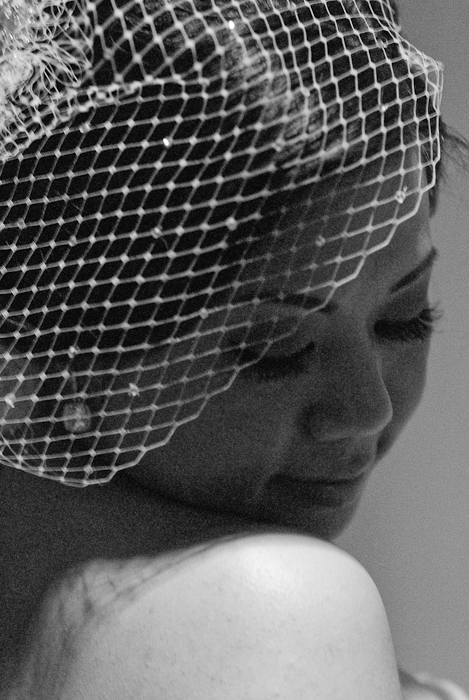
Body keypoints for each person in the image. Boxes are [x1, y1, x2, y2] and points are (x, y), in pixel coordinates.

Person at [0, 0, 468, 697]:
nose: (366, 408)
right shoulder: (266, 602)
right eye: (276, 350)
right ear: (69, 344)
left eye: (405, 318)